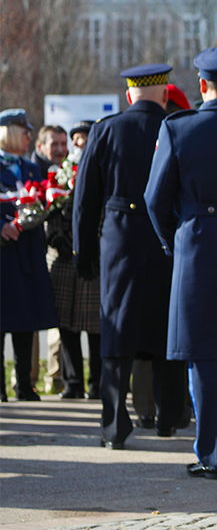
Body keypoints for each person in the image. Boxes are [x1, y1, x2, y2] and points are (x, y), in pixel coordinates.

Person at [145, 48, 217, 479]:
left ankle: (210, 453)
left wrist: (172, 241)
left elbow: (155, 199)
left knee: (201, 354)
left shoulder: (178, 127)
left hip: (194, 244)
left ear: (201, 85)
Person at [72, 64, 185, 449]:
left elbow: (85, 200)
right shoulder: (178, 125)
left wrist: (83, 251)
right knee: (165, 325)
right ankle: (170, 417)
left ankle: (114, 425)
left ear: (129, 95)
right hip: (166, 235)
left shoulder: (106, 129)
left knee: (118, 328)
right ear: (165, 94)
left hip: (119, 237)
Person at [0, 109, 58, 402]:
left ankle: (25, 384)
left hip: (25, 255)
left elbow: (42, 201)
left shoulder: (32, 168)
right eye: (24, 132)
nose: (29, 137)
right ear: (8, 132)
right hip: (2, 255)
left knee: (25, 322)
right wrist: (2, 227)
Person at [48, 120, 102, 400]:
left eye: (85, 138)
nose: (80, 143)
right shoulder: (59, 176)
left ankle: (96, 384)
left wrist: (92, 247)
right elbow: (52, 211)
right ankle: (72, 383)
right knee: (66, 326)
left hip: (94, 259)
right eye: (76, 139)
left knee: (97, 328)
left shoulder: (104, 171)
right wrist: (59, 239)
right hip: (65, 262)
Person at [30, 124, 69, 394]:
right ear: (40, 147)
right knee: (32, 321)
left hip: (56, 254)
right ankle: (28, 379)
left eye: (63, 143)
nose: (59, 149)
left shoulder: (67, 172)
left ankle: (55, 378)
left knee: (58, 318)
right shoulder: (32, 172)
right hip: (35, 255)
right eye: (53, 144)